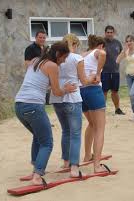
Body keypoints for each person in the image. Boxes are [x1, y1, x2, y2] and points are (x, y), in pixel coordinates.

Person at [15, 42, 76, 185]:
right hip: (33, 105)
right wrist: (66, 89)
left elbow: (40, 82)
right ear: (58, 55)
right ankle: (37, 176)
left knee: (38, 135)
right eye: (65, 57)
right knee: (47, 142)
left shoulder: (36, 60)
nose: (65, 60)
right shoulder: (53, 66)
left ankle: (35, 169)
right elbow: (56, 92)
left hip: (19, 105)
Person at [49, 34, 96, 177]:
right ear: (75, 44)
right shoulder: (77, 58)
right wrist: (93, 78)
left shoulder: (55, 57)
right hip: (72, 97)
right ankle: (74, 167)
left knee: (66, 131)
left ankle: (66, 161)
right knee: (75, 133)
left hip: (57, 97)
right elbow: (83, 80)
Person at [80, 34, 109, 173]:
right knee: (100, 128)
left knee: (91, 124)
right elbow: (102, 53)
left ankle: (87, 156)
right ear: (100, 45)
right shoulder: (97, 51)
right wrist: (98, 74)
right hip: (93, 90)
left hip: (82, 92)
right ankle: (97, 166)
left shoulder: (82, 54)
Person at [101, 25, 125, 115]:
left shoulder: (117, 43)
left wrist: (118, 62)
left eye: (111, 32)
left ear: (113, 33)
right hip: (104, 72)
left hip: (115, 71)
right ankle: (102, 110)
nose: (109, 34)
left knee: (115, 91)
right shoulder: (101, 43)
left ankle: (117, 109)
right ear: (105, 33)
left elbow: (122, 53)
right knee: (104, 91)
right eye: (108, 32)